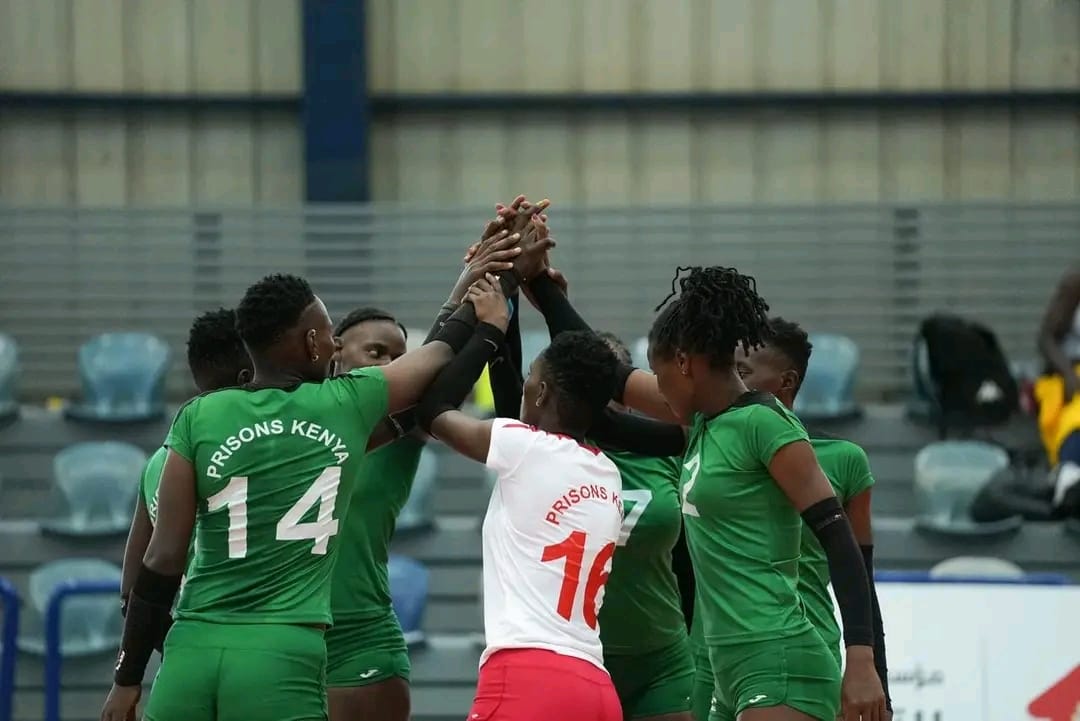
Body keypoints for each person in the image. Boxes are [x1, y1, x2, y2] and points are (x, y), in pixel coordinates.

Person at [99, 218, 553, 721]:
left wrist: (127, 678)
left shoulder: (194, 420)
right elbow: (440, 353)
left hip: (193, 646)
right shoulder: (342, 405)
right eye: (327, 334)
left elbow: (160, 562)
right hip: (283, 650)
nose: (336, 346)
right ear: (315, 344)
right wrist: (494, 294)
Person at [523, 263, 886, 721]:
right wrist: (537, 285)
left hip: (777, 657)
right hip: (720, 667)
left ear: (683, 363)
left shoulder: (765, 424)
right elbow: (608, 381)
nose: (655, 389)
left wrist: (861, 660)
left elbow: (838, 539)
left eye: (658, 375)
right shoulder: (703, 427)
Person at [414, 274, 623, 721]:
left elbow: (432, 410)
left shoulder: (523, 447)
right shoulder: (606, 470)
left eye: (532, 378)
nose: (525, 383)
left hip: (528, 675)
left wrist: (488, 330)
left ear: (542, 391)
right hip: (596, 685)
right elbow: (518, 415)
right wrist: (510, 306)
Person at [488, 269, 693, 720]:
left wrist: (548, 294)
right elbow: (507, 383)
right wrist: (508, 288)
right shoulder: (544, 452)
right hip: (573, 657)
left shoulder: (669, 451)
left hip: (663, 659)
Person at [682, 317, 889, 720]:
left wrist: (873, 672)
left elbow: (861, 574)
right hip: (714, 652)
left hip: (794, 646)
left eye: (743, 372)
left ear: (786, 381)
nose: (732, 380)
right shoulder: (708, 437)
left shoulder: (844, 462)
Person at [119, 308, 254, 640]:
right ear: (248, 377)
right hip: (257, 641)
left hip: (188, 644)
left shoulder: (157, 463)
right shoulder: (269, 448)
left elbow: (131, 588)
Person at [1034, 268, 1080, 512]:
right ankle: (1070, 474)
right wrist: (1068, 374)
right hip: (1068, 374)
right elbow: (1045, 338)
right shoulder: (1075, 283)